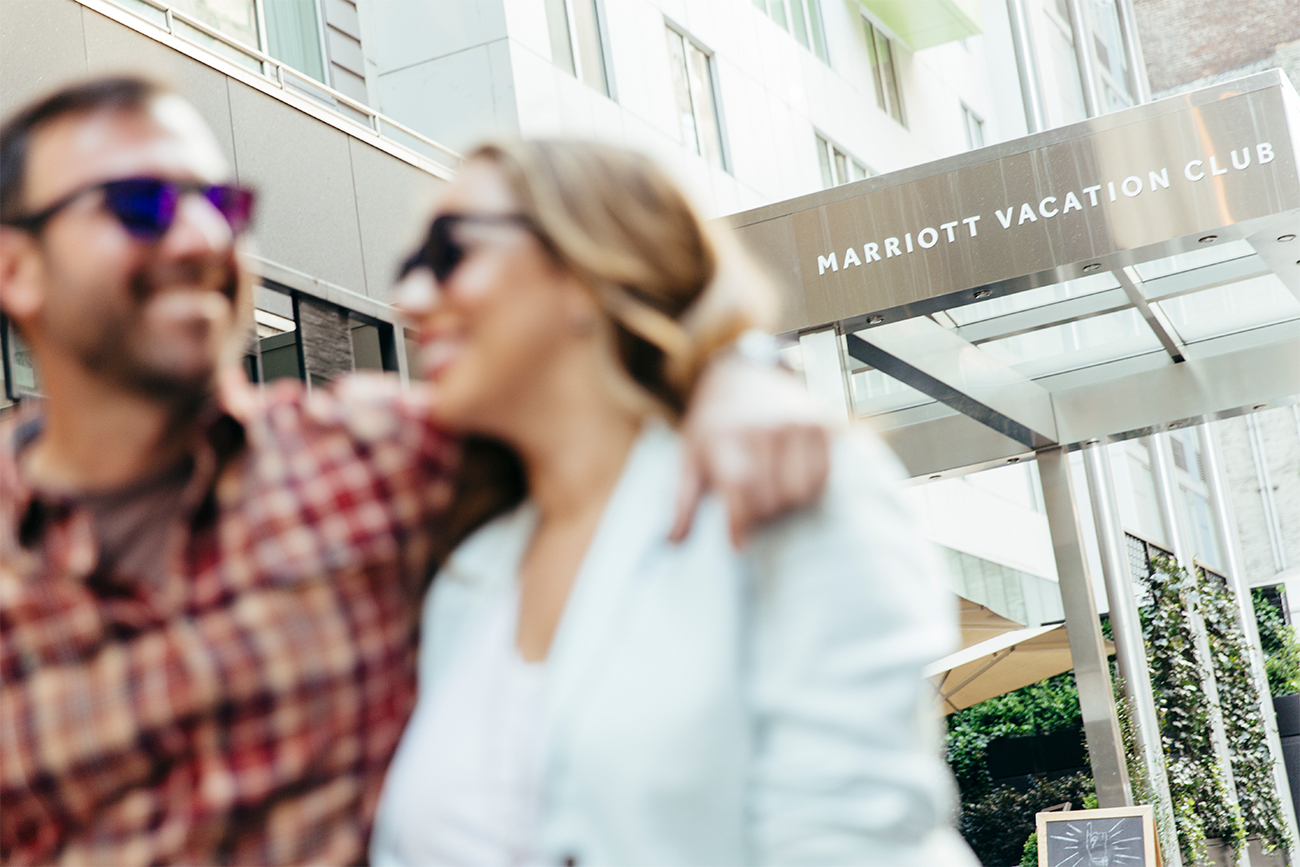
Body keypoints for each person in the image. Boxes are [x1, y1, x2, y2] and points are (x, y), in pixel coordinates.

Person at [0, 77, 832, 866]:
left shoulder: (380, 456)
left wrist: (733, 373)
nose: (198, 238)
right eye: (137, 205)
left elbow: (587, 389)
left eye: (220, 204)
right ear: (15, 269)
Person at [368, 140, 976, 866]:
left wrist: (739, 363)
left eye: (449, 252)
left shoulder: (782, 482)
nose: (409, 299)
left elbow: (847, 839)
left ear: (587, 270)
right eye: (407, 267)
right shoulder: (469, 566)